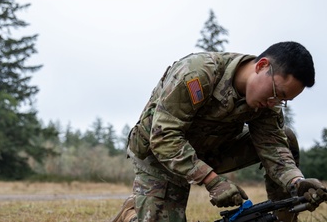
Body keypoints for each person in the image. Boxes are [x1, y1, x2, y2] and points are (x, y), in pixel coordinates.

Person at [111, 41, 326, 222]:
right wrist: (212, 181)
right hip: (159, 154)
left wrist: (296, 183)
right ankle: (133, 213)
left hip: (211, 150)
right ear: (261, 66)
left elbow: (274, 147)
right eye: (276, 93)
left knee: (286, 138)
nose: (274, 103)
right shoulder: (198, 73)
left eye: (283, 100)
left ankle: (284, 218)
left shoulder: (267, 105)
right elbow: (163, 137)